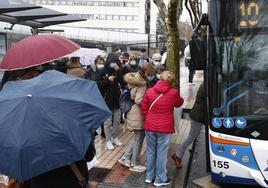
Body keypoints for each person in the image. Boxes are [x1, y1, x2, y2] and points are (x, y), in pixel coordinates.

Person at [141, 71, 184, 187]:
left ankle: (149, 177)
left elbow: (144, 107)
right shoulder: (174, 92)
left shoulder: (149, 91)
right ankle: (160, 179)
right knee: (161, 153)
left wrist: (149, 117)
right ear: (171, 81)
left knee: (150, 151)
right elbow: (179, 103)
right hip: (164, 127)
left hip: (150, 126)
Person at [118, 63, 155, 172]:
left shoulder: (135, 79)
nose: (151, 76)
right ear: (146, 73)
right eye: (150, 74)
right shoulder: (142, 83)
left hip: (132, 111)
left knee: (136, 137)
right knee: (139, 137)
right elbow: (139, 100)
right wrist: (150, 100)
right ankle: (134, 164)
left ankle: (125, 158)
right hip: (137, 113)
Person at [172, 83, 206, 168]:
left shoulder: (205, 83)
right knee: (191, 137)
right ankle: (178, 155)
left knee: (192, 136)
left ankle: (179, 154)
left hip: (199, 114)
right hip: (198, 115)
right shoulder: (207, 84)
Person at [102, 52, 124, 150]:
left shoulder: (118, 69)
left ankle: (115, 137)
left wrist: (118, 70)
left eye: (116, 61)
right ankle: (108, 140)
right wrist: (108, 79)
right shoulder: (103, 70)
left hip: (117, 98)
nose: (114, 63)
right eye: (113, 61)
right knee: (107, 122)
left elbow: (123, 82)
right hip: (107, 99)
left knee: (117, 120)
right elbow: (98, 83)